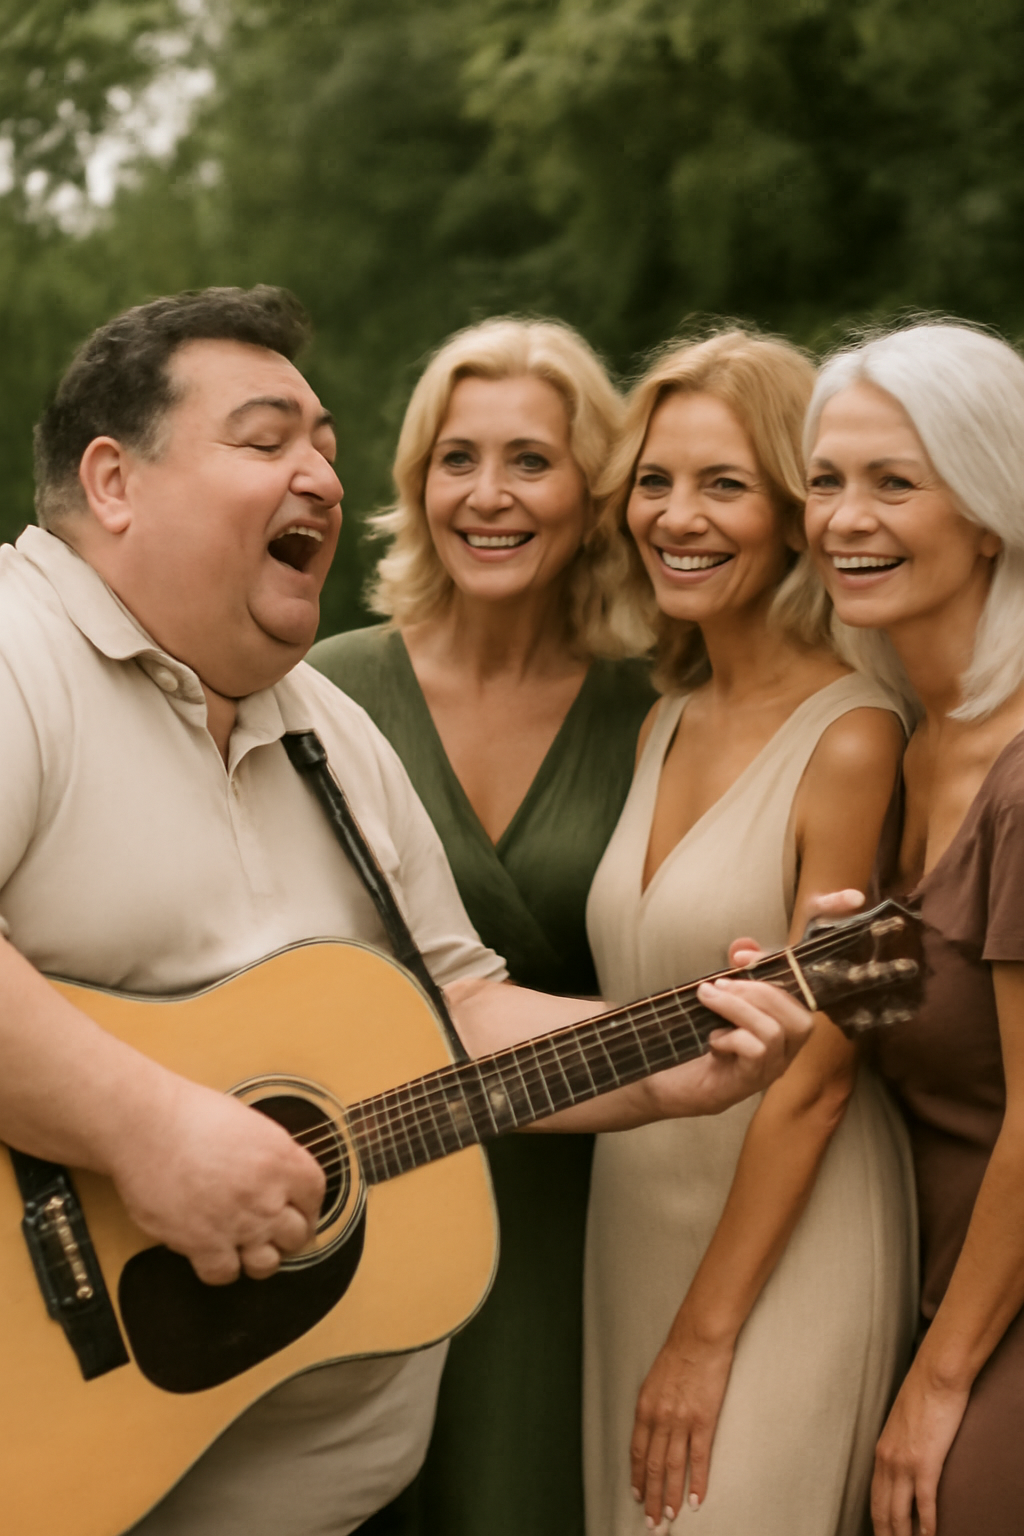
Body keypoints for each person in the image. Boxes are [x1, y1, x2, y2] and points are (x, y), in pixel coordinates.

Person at [0, 287, 809, 1536]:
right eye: (267, 441)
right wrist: (148, 1130)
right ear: (114, 481)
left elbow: (458, 1001)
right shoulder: (19, 652)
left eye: (324, 443)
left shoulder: (327, 728)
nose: (320, 475)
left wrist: (662, 1066)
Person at [309, 317, 655, 1536]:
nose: (488, 496)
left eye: (530, 461)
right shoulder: (329, 688)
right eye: (457, 459)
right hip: (357, 1191)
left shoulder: (661, 701)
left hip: (581, 1198)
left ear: (590, 492)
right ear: (415, 483)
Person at [582, 329, 918, 1535]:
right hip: (633, 1215)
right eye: (655, 482)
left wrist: (703, 1335)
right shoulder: (661, 723)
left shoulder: (853, 735)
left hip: (787, 1235)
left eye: (723, 484)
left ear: (791, 513)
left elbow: (823, 1072)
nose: (677, 516)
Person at [800, 321, 1024, 1536]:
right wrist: (841, 972)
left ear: (990, 510)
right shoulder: (910, 740)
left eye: (895, 481)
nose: (846, 517)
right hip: (932, 1284)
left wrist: (939, 1384)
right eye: (826, 481)